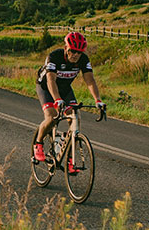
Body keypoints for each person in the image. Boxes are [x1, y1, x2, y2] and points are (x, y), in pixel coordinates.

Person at [34, 32, 105, 170]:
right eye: (72, 51)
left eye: (79, 52)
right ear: (66, 48)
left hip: (65, 89)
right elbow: (51, 80)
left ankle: (69, 157)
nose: (75, 55)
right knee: (51, 117)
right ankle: (38, 143)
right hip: (47, 87)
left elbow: (90, 80)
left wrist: (98, 100)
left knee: (75, 118)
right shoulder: (54, 56)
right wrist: (57, 100)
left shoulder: (83, 60)